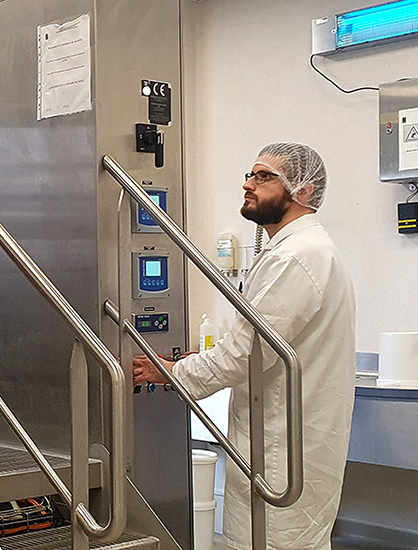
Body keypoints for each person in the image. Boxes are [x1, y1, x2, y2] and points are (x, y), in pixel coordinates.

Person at [133, 143, 356, 550]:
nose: (249, 184)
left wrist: (172, 372)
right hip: (282, 439)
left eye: (264, 176)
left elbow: (245, 354)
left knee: (275, 540)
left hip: (281, 446)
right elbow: (255, 342)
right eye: (250, 175)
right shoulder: (295, 251)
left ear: (303, 190)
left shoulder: (296, 257)